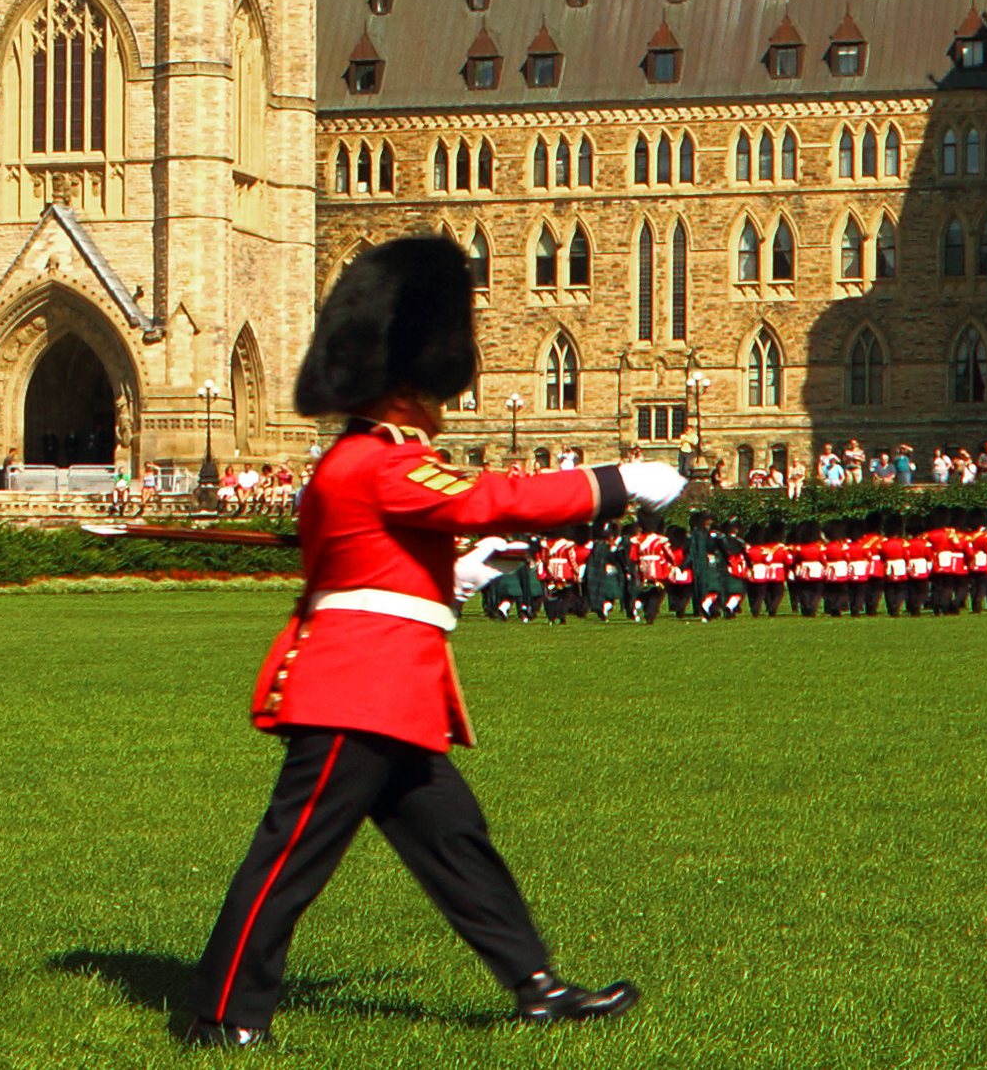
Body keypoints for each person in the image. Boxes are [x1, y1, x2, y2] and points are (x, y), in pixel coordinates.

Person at [187, 236, 664, 1046]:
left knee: (457, 845)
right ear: (408, 384)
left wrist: (455, 578)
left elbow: (383, 560)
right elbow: (484, 496)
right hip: (355, 690)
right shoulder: (378, 460)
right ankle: (225, 1012)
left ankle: (536, 983)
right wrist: (613, 482)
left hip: (392, 693)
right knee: (291, 856)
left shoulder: (366, 463)